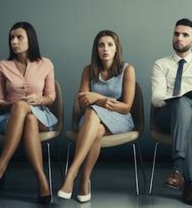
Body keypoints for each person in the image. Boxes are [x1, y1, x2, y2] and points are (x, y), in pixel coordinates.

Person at [0, 22, 56, 205]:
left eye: (19, 37)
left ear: (31, 39)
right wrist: (17, 104)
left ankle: (1, 165)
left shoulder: (46, 64)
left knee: (28, 112)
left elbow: (51, 97)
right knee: (26, 115)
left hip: (42, 115)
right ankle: (43, 182)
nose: (14, 41)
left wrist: (39, 100)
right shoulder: (2, 66)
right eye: (12, 38)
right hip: (8, 118)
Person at [57, 30, 136, 202]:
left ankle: (71, 174)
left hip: (119, 119)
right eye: (101, 45)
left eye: (110, 45)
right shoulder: (88, 70)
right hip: (91, 119)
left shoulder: (127, 69)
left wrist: (97, 98)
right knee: (97, 128)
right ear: (96, 49)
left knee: (93, 112)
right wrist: (101, 102)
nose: (105, 49)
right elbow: (83, 101)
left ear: (117, 49)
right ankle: (85, 180)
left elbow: (126, 107)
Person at [151, 18, 192, 206]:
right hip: (168, 115)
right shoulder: (160, 64)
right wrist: (176, 99)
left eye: (185, 35)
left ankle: (178, 169)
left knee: (185, 108)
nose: (179, 38)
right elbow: (156, 99)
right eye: (176, 33)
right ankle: (189, 185)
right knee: (181, 106)